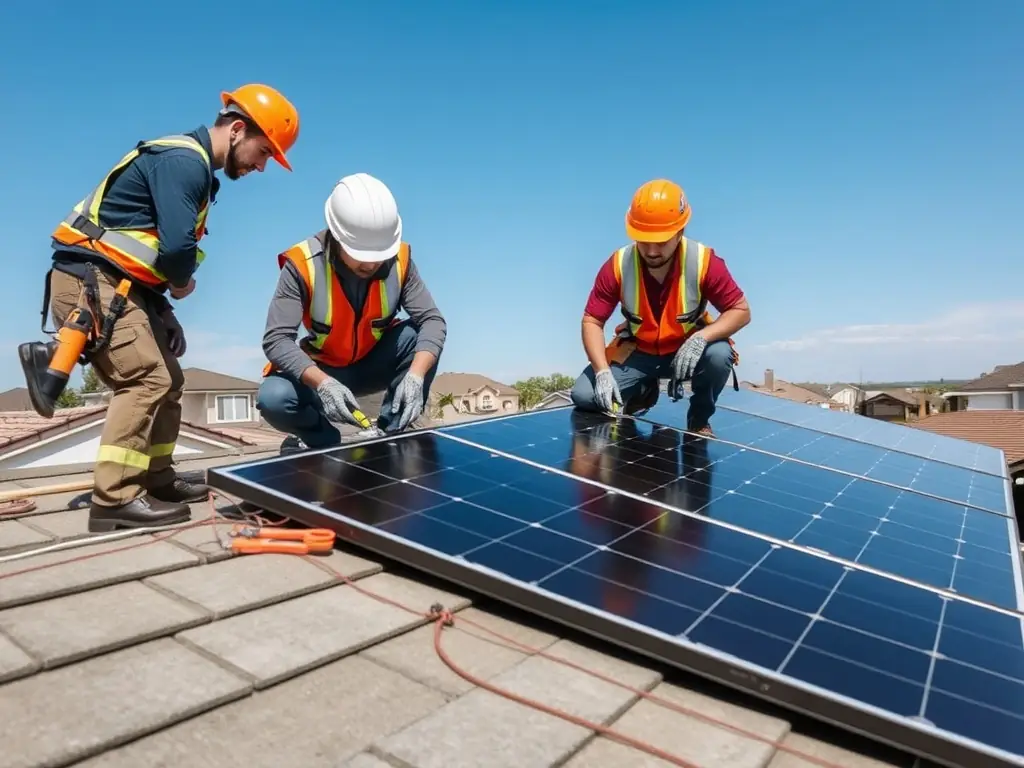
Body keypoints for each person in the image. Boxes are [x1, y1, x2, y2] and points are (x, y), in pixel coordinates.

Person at [20, 84, 300, 533]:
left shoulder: (194, 170)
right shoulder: (183, 162)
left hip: (121, 288)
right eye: (263, 152)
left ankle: (157, 478)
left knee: (169, 379)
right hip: (88, 285)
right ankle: (114, 500)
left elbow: (141, 257)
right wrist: (183, 282)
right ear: (238, 129)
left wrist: (164, 314)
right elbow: (174, 252)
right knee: (146, 378)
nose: (261, 165)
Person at [257, 172, 446, 450]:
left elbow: (433, 321)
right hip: (324, 373)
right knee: (274, 398)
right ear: (337, 235)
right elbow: (276, 340)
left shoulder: (400, 261)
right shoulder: (302, 265)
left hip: (373, 365)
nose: (371, 264)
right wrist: (322, 383)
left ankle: (390, 431)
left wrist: (416, 375)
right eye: (362, 254)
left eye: (378, 254)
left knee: (420, 336)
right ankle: (321, 440)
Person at [570, 178, 751, 436]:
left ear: (680, 231)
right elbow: (592, 320)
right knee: (585, 396)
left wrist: (702, 337)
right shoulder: (618, 264)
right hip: (639, 352)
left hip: (687, 350)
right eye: (644, 241)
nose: (652, 251)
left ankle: (699, 420)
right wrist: (601, 372)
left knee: (719, 355)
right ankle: (644, 390)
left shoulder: (704, 262)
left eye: (661, 241)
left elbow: (741, 311)